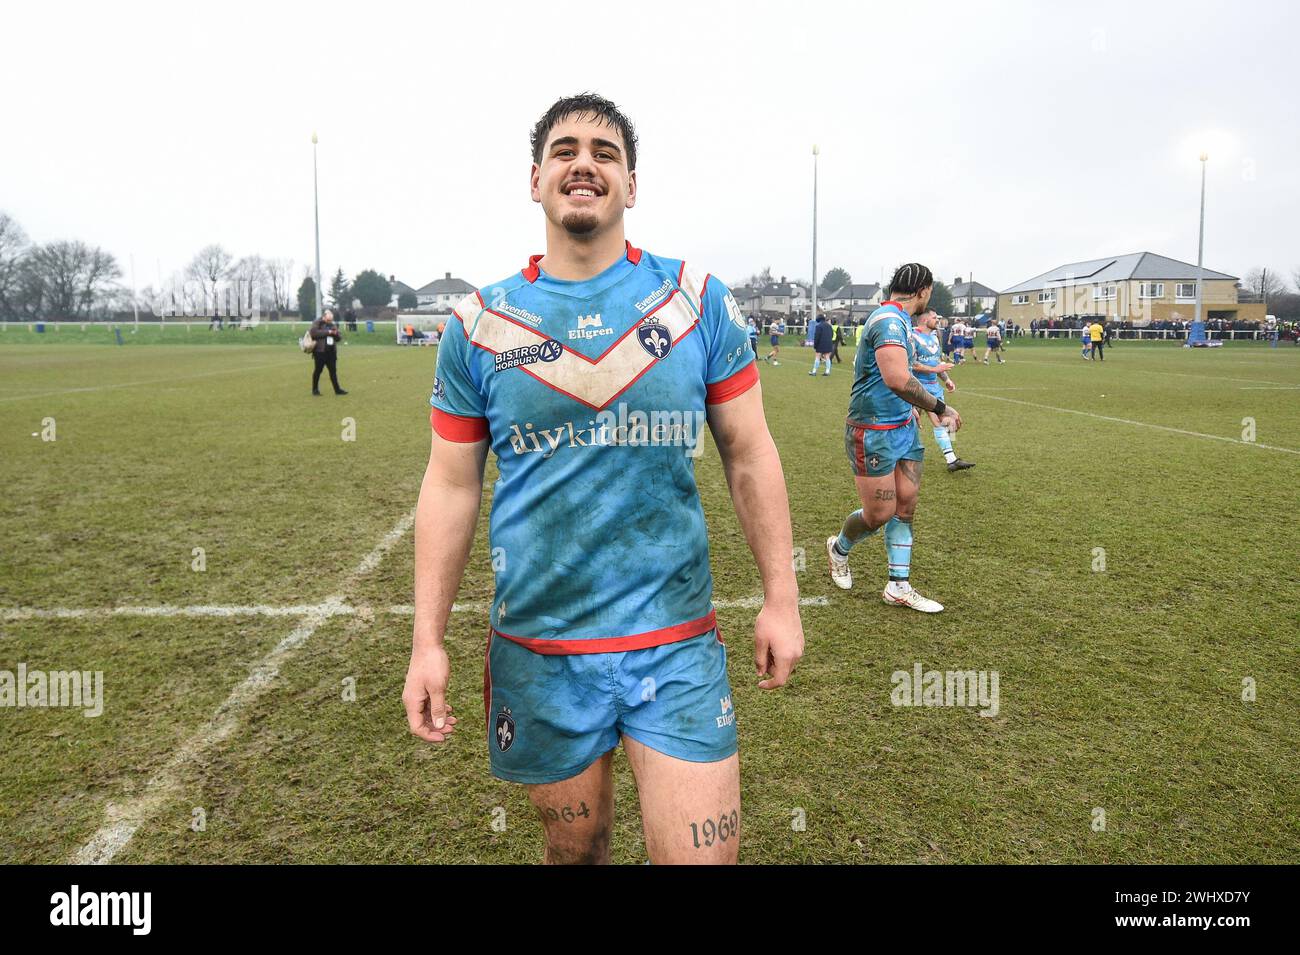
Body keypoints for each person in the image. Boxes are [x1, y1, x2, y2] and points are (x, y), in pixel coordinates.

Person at [403, 93, 803, 865]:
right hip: (539, 650)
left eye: (604, 152)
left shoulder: (694, 301)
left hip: (674, 643)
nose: (583, 162)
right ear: (535, 179)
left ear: (630, 184)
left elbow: (749, 452)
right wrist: (426, 640)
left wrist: (781, 599)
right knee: (577, 854)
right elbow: (451, 485)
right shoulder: (479, 324)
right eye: (564, 149)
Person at [825, 263, 962, 613]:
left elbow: (903, 375)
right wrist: (941, 408)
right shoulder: (888, 320)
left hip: (903, 428)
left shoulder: (900, 321)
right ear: (924, 291)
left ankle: (898, 585)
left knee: (906, 506)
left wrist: (914, 407)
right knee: (879, 513)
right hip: (872, 433)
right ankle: (839, 548)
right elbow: (897, 379)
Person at [911, 310, 974, 472]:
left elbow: (936, 363)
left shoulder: (934, 337)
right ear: (924, 320)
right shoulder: (912, 337)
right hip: (918, 387)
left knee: (949, 421)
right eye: (934, 318)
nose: (937, 320)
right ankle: (951, 459)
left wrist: (946, 379)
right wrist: (935, 369)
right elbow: (912, 364)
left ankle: (949, 455)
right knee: (932, 422)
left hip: (934, 387)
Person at [309, 308, 348, 395]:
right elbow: (313, 333)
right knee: (318, 371)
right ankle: (315, 390)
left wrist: (336, 334)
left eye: (331, 320)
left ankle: (337, 390)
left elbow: (339, 338)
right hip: (320, 352)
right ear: (324, 317)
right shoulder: (317, 323)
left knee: (333, 371)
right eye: (328, 319)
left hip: (331, 352)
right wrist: (328, 332)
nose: (330, 321)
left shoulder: (332, 324)